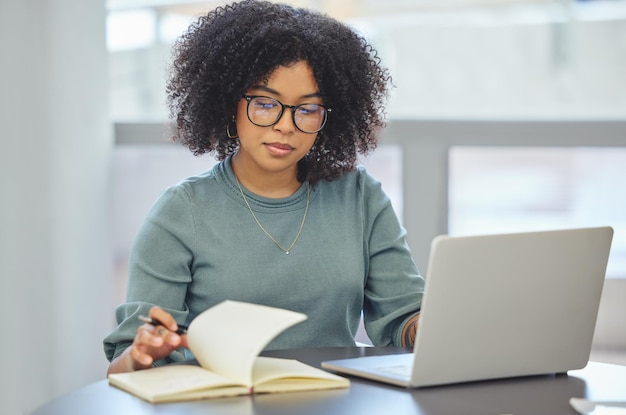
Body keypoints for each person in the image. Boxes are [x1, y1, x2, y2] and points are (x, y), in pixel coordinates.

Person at [104, 0, 424, 375]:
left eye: (307, 109)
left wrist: (441, 325)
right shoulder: (181, 212)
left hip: (337, 400)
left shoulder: (359, 197)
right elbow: (126, 365)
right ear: (229, 104)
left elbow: (403, 319)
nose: (285, 125)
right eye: (265, 103)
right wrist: (144, 353)